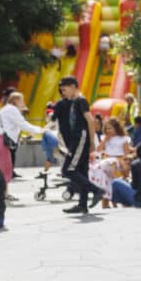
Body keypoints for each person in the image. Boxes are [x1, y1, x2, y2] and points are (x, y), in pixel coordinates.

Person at [51, 76, 95, 214]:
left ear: (73, 87)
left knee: (68, 170)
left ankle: (97, 190)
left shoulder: (80, 100)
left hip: (80, 138)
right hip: (76, 140)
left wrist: (92, 142)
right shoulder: (73, 102)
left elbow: (91, 121)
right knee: (82, 172)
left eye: (64, 89)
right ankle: (82, 204)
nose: (63, 93)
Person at [0, 91, 34, 181]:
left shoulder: (10, 107)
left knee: (12, 154)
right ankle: (7, 173)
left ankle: (10, 172)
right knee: (9, 155)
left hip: (12, 136)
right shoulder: (9, 108)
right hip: (6, 137)